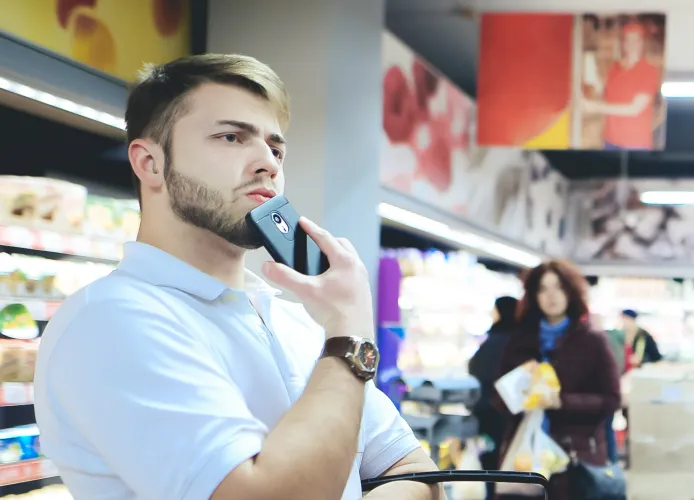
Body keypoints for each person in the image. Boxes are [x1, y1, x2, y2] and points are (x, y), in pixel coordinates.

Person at [32, 54, 441, 500]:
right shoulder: (110, 321)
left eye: (276, 149)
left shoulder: (298, 324)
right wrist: (349, 339)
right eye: (231, 137)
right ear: (150, 163)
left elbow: (419, 475)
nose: (268, 163)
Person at [496, 261, 621, 500]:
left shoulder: (592, 341)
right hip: (525, 455)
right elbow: (498, 398)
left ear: (570, 292)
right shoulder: (520, 341)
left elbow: (611, 399)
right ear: (534, 295)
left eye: (558, 287)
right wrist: (520, 389)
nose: (551, 296)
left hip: (576, 458)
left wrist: (562, 401)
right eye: (543, 289)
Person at [581, 21, 662, 150]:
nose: (631, 44)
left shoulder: (649, 71)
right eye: (628, 40)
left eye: (636, 40)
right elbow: (606, 96)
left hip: (636, 145)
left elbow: (634, 109)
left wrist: (595, 107)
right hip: (610, 141)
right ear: (623, 43)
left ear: (642, 43)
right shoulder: (614, 68)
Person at [467, 297, 519, 478]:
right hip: (513, 410)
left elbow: (476, 368)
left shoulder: (495, 340)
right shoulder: (520, 339)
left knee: (491, 463)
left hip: (490, 410)